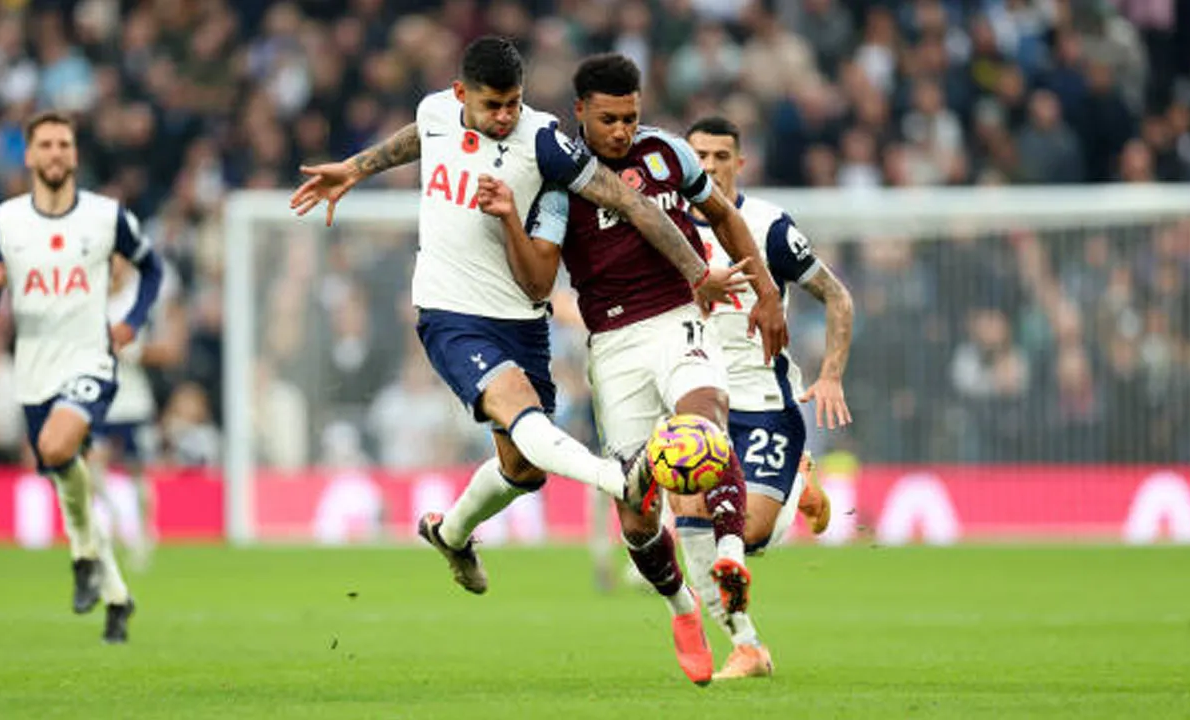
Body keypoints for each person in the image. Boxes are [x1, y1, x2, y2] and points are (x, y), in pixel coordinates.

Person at [289, 38, 743, 682]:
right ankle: (621, 480)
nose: (504, 116)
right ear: (461, 96)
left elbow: (630, 203)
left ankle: (449, 534)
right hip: (450, 314)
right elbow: (417, 136)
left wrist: (698, 272)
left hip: (521, 322)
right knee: (523, 413)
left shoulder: (547, 143)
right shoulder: (436, 112)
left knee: (523, 467)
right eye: (492, 105)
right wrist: (356, 169)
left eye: (513, 104)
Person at [474, 53, 789, 684]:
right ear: (582, 113)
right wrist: (509, 216)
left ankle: (729, 554)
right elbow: (539, 280)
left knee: (705, 421)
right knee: (638, 513)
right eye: (610, 119)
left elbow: (723, 215)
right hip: (613, 344)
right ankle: (681, 607)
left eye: (632, 117)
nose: (623, 131)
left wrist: (768, 293)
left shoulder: (669, 154)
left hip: (680, 317)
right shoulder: (562, 181)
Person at [0, 111, 163, 644]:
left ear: (74, 155)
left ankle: (82, 556)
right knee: (68, 475)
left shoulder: (106, 217)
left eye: (64, 144)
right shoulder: (4, 223)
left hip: (90, 361)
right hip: (33, 372)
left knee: (60, 446)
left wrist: (131, 321)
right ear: (29, 156)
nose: (56, 153)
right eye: (46, 145)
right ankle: (118, 595)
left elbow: (153, 268)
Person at [680, 116, 855, 678]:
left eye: (720, 156)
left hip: (763, 408)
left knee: (747, 534)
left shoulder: (769, 226)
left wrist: (830, 375)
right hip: (696, 397)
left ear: (740, 162)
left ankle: (797, 481)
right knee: (693, 526)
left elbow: (837, 296)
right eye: (699, 156)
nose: (708, 166)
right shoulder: (665, 224)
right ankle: (748, 646)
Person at [88, 254, 186, 571]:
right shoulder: (91, 297)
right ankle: (115, 520)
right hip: (102, 397)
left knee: (137, 471)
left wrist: (136, 352)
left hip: (133, 400)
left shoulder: (140, 299)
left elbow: (169, 351)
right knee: (92, 470)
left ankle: (145, 533)